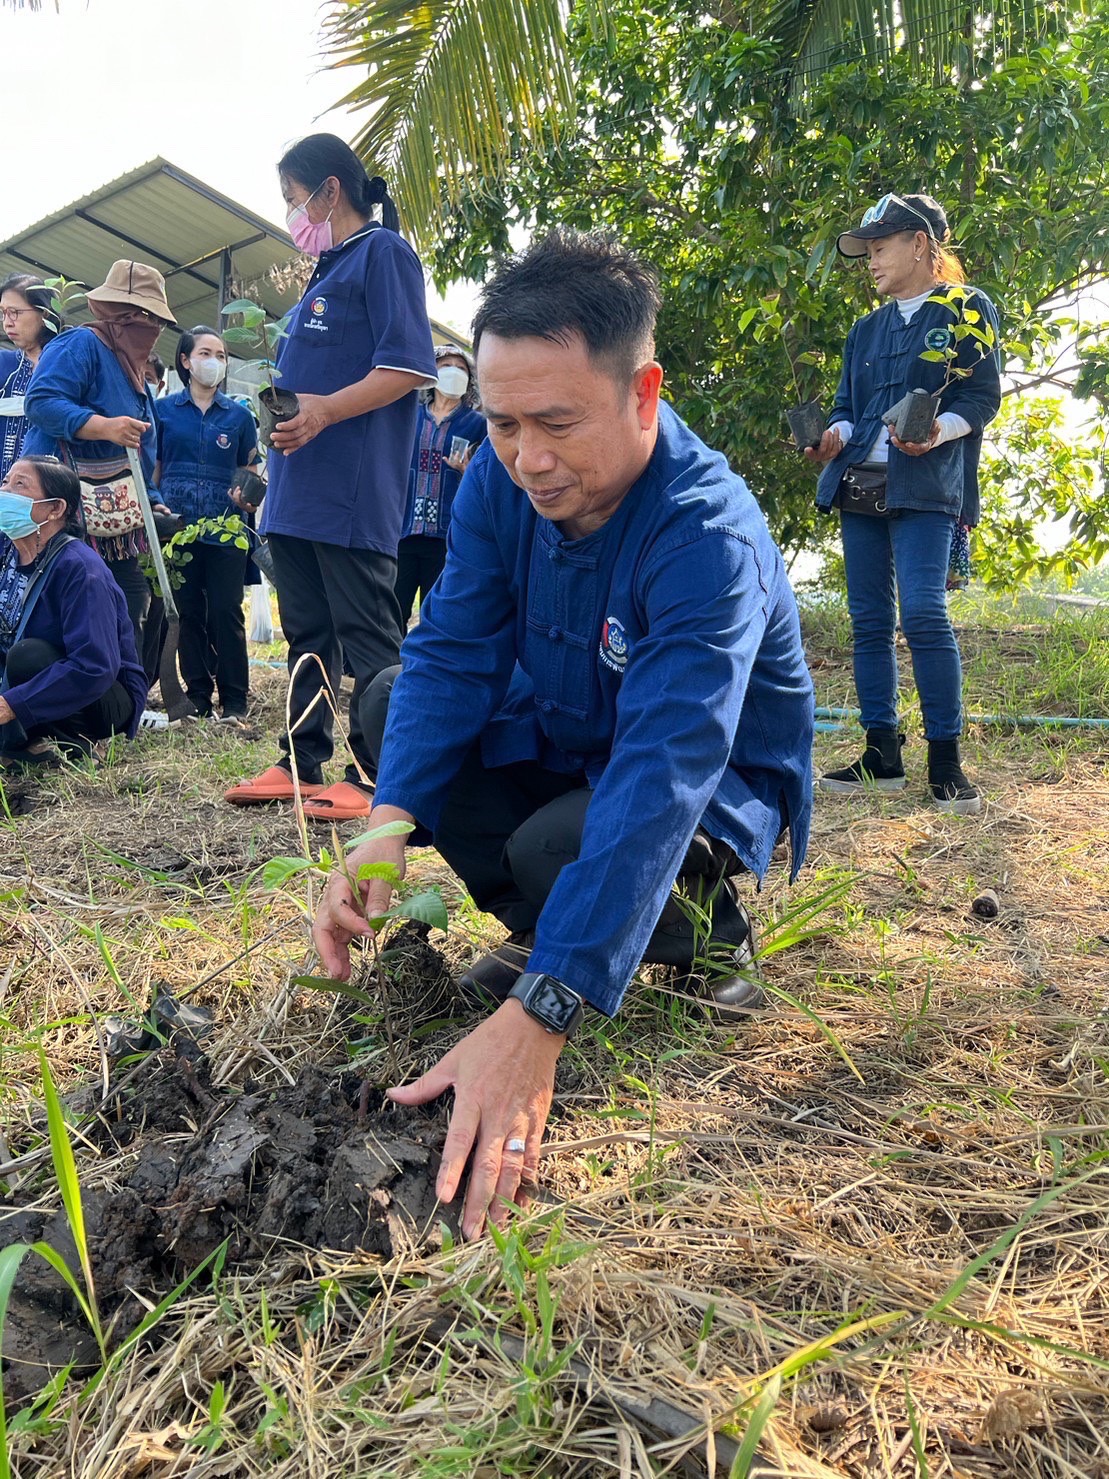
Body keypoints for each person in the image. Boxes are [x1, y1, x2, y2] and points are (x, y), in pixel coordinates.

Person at [310, 230, 814, 1240]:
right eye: (500, 424)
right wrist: (384, 821)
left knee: (560, 846)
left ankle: (703, 928)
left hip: (695, 785)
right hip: (568, 733)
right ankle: (556, 930)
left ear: (642, 394)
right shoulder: (503, 480)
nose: (526, 459)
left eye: (554, 423)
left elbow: (664, 772)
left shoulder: (703, 539)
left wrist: (542, 1019)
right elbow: (451, 649)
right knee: (388, 710)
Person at [224, 133, 437, 821]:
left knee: (368, 632)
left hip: (349, 486)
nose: (293, 215)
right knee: (308, 632)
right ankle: (300, 761)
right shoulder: (327, 268)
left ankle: (381, 773)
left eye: (293, 200)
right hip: (299, 487)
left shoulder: (384, 255)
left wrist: (322, 412)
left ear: (329, 191)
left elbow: (408, 367)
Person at [807, 193, 1001, 815]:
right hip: (859, 483)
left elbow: (984, 398)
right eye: (867, 249)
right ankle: (882, 753)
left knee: (922, 615)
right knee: (869, 622)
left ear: (920, 243)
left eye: (881, 245)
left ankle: (945, 762)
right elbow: (846, 403)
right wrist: (833, 434)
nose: (870, 259)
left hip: (926, 488)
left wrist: (936, 430)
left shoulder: (968, 311)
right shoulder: (866, 329)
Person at [22, 260, 177, 734]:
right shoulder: (81, 345)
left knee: (127, 594)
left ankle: (119, 702)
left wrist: (150, 497)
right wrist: (101, 425)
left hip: (115, 516)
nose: (150, 330)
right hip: (58, 500)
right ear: (117, 314)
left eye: (156, 321)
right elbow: (41, 402)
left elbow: (140, 446)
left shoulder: (136, 375)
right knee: (61, 602)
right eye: (140, 318)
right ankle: (51, 703)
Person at [0, 456, 147, 772]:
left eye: (19, 485)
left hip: (101, 697)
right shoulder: (7, 556)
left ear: (55, 509)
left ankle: (74, 744)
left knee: (28, 656)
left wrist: (11, 704)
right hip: (28, 687)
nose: (5, 492)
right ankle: (26, 744)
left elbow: (94, 666)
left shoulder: (80, 569)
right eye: (5, 482)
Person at [154, 326, 260, 721]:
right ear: (185, 360)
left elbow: (249, 468)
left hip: (226, 529)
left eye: (220, 354)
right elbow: (156, 470)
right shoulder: (163, 411)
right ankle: (197, 694)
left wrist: (243, 491)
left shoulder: (239, 416)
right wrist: (158, 506)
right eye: (205, 353)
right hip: (177, 525)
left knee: (226, 611)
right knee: (187, 612)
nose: (213, 361)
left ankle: (235, 699)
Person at [395, 344, 486, 625]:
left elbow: (489, 475)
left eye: (461, 369)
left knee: (436, 612)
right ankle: (391, 667)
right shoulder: (409, 416)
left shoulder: (478, 425)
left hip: (447, 534)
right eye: (446, 367)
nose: (454, 373)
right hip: (404, 529)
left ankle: (428, 666)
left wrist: (468, 471)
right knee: (393, 606)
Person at [1, 275, 62, 481]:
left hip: (52, 493)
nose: (7, 323)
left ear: (44, 313)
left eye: (15, 313)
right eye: (3, 313)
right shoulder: (4, 364)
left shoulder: (67, 367)